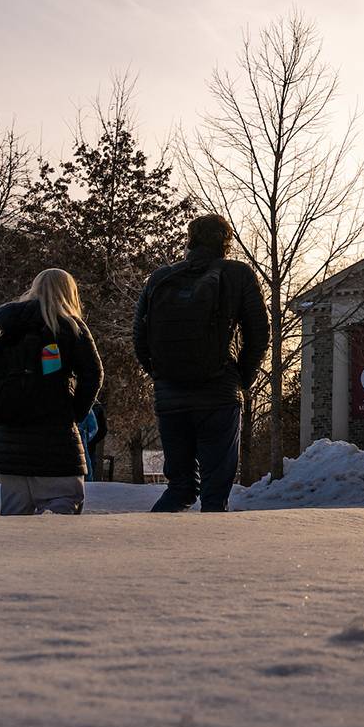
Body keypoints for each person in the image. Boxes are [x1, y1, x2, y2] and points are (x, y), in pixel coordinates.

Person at [135, 214, 267, 513]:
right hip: (218, 394)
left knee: (180, 488)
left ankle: (148, 551)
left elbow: (138, 336)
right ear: (225, 242)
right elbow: (258, 332)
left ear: (190, 239)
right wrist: (241, 378)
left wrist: (160, 375)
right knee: (214, 493)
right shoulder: (238, 274)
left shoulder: (160, 278)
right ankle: (210, 557)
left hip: (170, 397)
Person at [0, 269, 103, 516]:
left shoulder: (10, 329)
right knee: (64, 506)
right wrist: (73, 412)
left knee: (14, 519)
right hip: (54, 440)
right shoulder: (70, 327)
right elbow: (93, 375)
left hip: (9, 442)